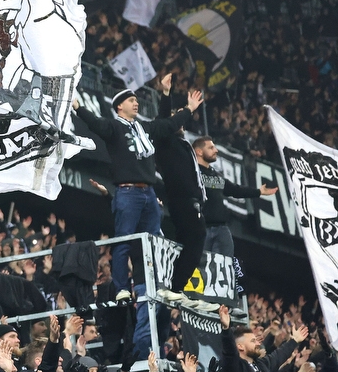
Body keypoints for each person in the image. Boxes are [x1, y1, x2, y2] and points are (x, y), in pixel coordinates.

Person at [72, 89, 200, 300]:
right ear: (119, 106)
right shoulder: (113, 127)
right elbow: (95, 123)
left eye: (137, 100)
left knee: (154, 243)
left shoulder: (146, 127)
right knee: (124, 241)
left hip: (149, 193)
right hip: (127, 191)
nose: (136, 103)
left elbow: (169, 124)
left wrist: (189, 109)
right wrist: (79, 108)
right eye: (131, 100)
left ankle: (157, 284)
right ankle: (122, 288)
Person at [151, 75, 211, 306]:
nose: (182, 124)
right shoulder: (165, 140)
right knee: (198, 238)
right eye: (178, 121)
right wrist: (166, 95)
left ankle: (174, 287)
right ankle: (176, 287)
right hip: (183, 200)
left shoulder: (179, 143)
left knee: (188, 243)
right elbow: (164, 120)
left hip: (187, 200)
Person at [194, 135, 278, 257]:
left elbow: (235, 190)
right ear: (199, 151)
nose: (216, 150)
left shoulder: (216, 175)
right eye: (211, 147)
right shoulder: (191, 172)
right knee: (199, 266)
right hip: (200, 227)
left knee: (225, 266)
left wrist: (258, 192)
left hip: (221, 228)